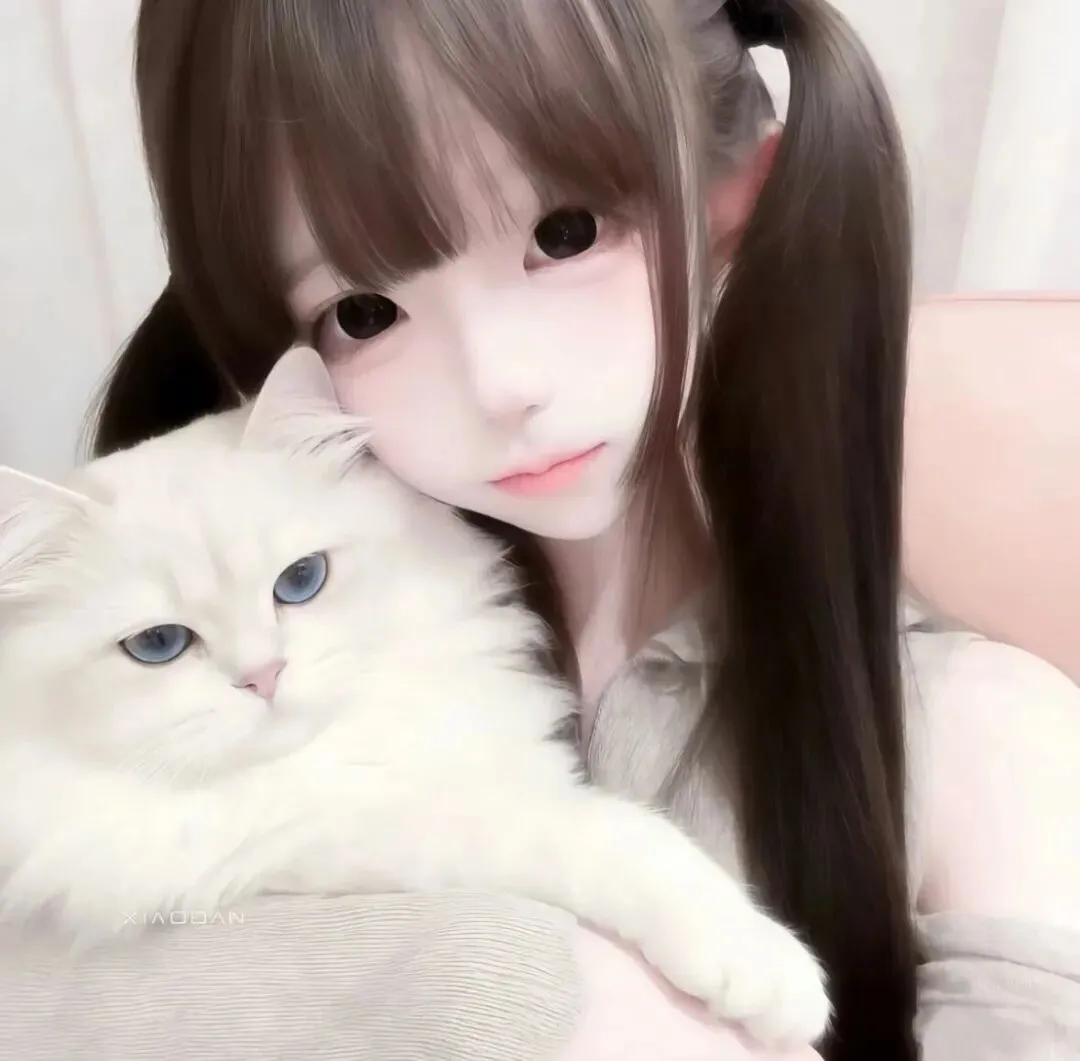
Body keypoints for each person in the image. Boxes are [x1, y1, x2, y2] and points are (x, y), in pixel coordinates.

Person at [5, 1, 1077, 1059]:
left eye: (566, 233)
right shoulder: (115, 708)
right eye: (364, 311)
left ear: (738, 190)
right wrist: (523, 980)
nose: (499, 381)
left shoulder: (981, 738)